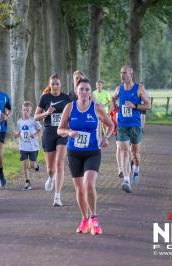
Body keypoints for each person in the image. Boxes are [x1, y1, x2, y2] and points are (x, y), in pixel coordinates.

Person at [58, 78, 114, 235]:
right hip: (74, 153)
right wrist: (69, 132)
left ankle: (94, 218)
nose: (84, 92)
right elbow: (59, 129)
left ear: (91, 92)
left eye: (87, 89)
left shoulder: (96, 108)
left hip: (92, 152)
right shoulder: (70, 107)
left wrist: (106, 138)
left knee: (88, 183)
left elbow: (111, 125)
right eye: (81, 89)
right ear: (76, 91)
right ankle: (84, 219)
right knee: (79, 189)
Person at [111, 65, 150, 193]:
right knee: (123, 151)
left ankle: (136, 169)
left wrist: (135, 106)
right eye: (121, 73)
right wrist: (114, 106)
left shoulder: (139, 89)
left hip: (135, 126)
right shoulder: (119, 89)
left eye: (125, 73)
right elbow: (113, 97)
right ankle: (126, 180)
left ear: (131, 74)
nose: (122, 75)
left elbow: (148, 105)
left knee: (135, 154)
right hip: (122, 126)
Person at [34, 74, 70, 206]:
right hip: (49, 132)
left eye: (57, 84)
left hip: (62, 133)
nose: (55, 86)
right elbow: (36, 117)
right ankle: (50, 177)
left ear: (61, 85)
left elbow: (72, 115)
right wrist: (46, 113)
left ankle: (57, 196)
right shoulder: (45, 97)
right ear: (50, 85)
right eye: (52, 84)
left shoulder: (67, 98)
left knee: (60, 163)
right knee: (50, 168)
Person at [14, 101, 42, 190]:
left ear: (31, 111)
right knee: (25, 165)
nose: (25, 112)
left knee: (32, 165)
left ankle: (36, 165)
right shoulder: (19, 122)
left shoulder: (34, 120)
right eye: (24, 110)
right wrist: (16, 135)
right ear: (21, 110)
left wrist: (35, 135)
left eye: (27, 110)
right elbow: (19, 132)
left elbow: (40, 130)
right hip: (23, 147)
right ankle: (27, 182)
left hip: (33, 147)